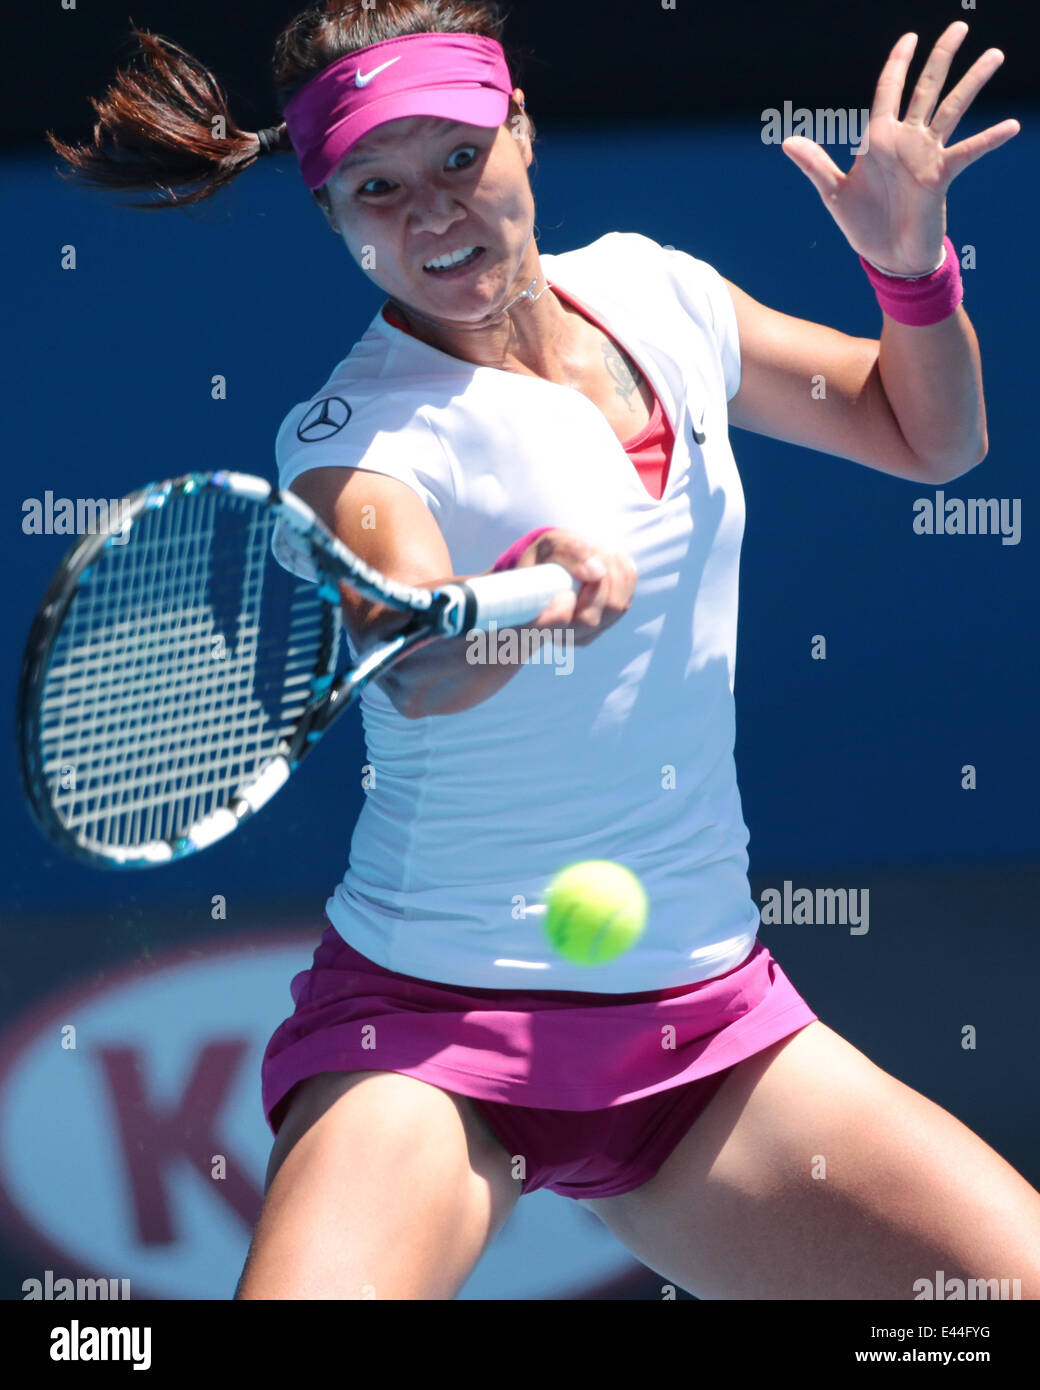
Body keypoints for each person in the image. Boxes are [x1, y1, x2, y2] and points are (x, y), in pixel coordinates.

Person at [50, 3, 1040, 1300]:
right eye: (379, 186)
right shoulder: (357, 443)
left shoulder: (661, 294)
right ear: (333, 212)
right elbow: (416, 652)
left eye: (460, 157)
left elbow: (931, 437)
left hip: (710, 1034)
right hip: (432, 1036)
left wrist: (913, 271)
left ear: (523, 127)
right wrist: (518, 588)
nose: (434, 212)